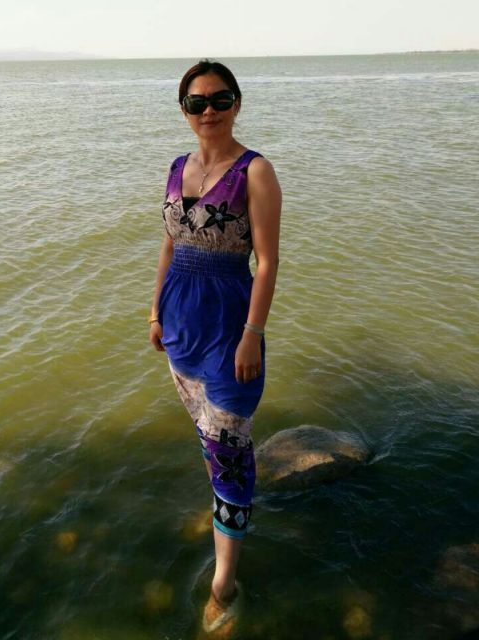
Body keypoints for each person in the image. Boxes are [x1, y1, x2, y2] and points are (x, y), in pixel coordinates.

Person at [149, 59, 281, 637]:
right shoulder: (177, 168)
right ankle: (228, 517)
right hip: (181, 329)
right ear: (184, 110)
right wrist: (155, 311)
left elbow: (267, 263)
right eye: (197, 102)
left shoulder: (256, 171)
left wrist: (253, 334)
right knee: (212, 444)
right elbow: (168, 245)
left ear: (237, 104)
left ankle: (223, 584)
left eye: (220, 99)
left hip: (230, 334)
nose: (209, 110)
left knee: (229, 457)